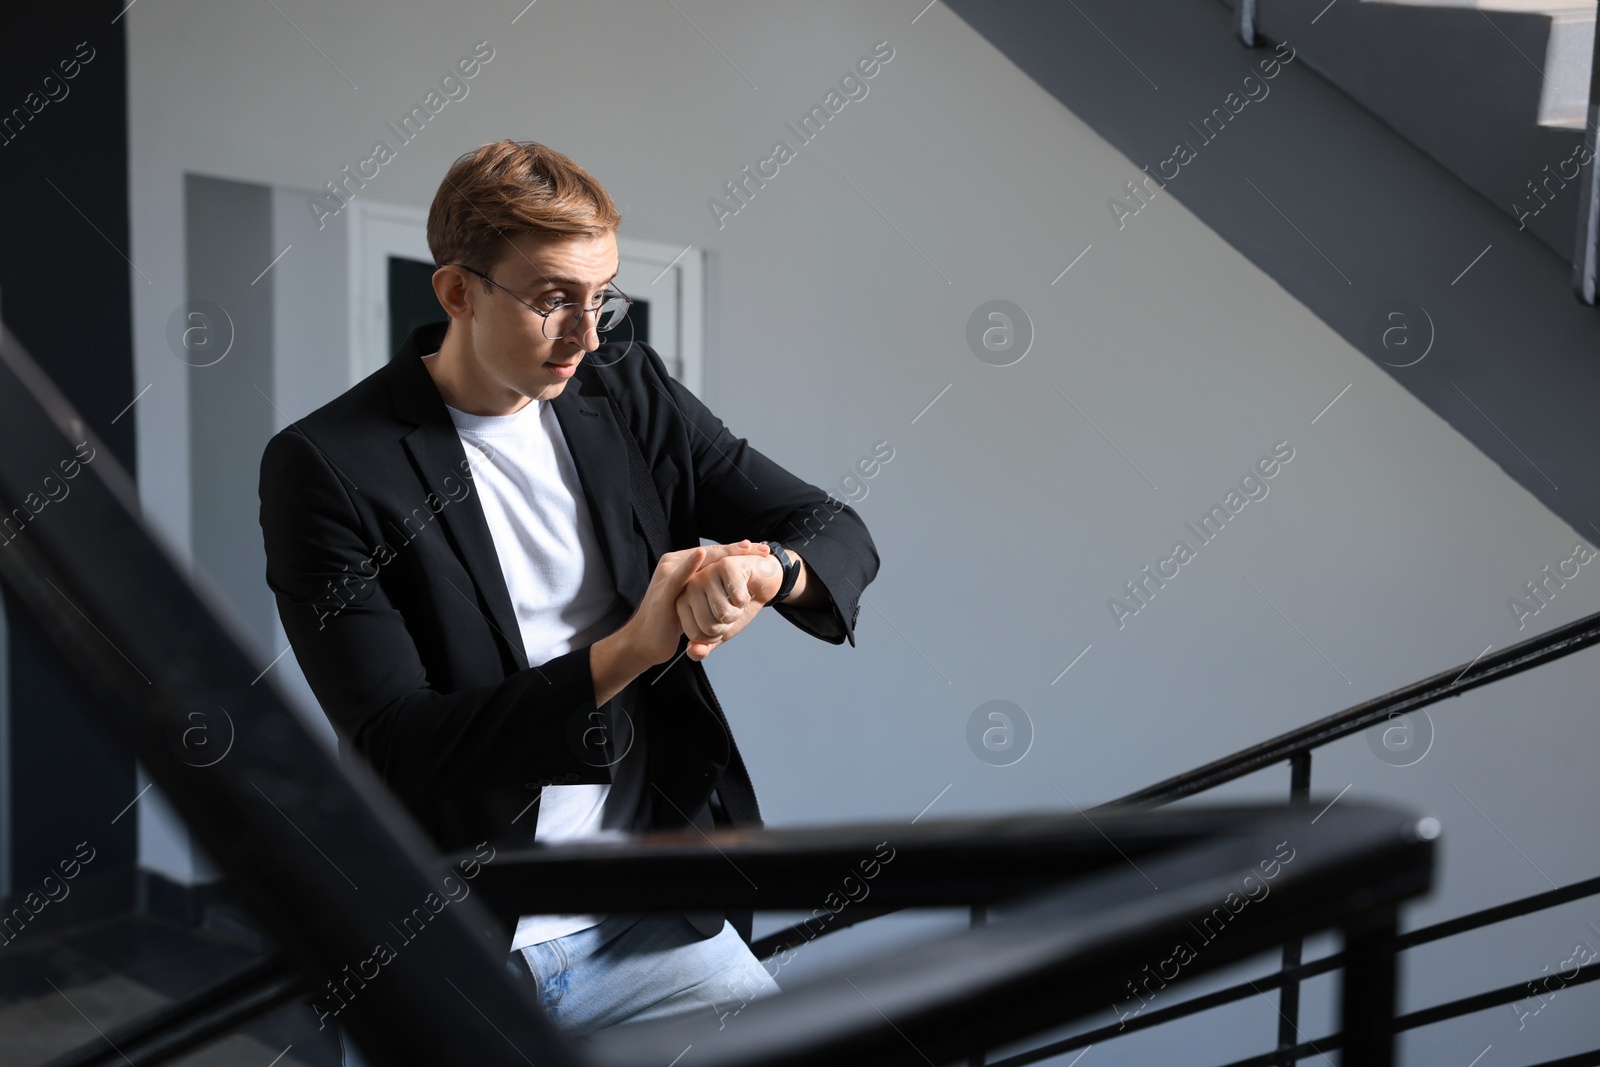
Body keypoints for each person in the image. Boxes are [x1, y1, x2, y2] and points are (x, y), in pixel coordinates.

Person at [256, 139, 879, 1063]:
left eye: (604, 297)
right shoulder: (329, 466)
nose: (588, 335)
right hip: (455, 938)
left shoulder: (630, 393)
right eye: (553, 298)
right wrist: (632, 647)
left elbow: (829, 522)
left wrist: (769, 572)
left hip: (650, 919)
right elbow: (399, 741)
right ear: (457, 292)